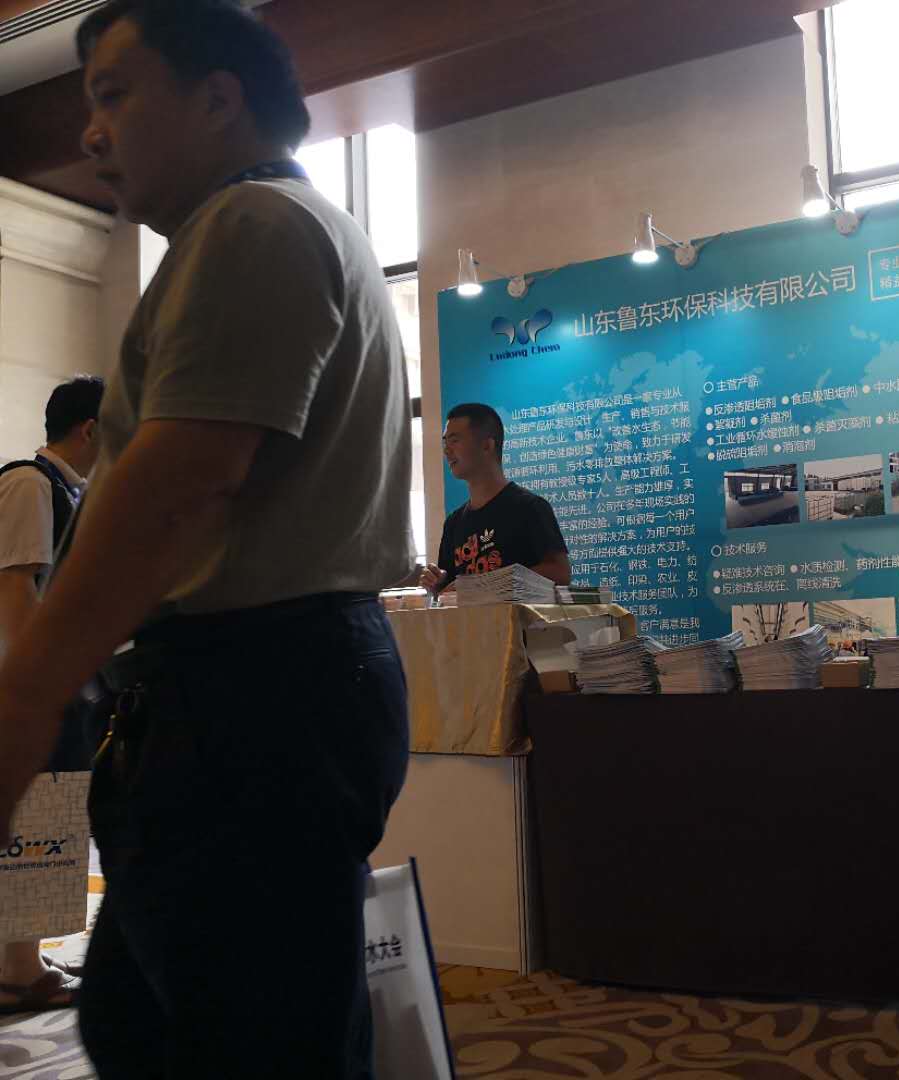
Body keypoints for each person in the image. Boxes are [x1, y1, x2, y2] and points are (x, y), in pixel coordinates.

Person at [0, 1, 413, 1075]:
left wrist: (26, 695)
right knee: (155, 1022)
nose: (91, 131)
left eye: (114, 94)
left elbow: (176, 486)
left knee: (240, 1041)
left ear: (219, 99)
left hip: (254, 695)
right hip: (268, 686)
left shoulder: (253, 225)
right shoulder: (277, 226)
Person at [0, 375, 104, 1013]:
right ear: (91, 429)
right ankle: (16, 971)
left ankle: (22, 958)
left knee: (51, 815)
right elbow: (16, 588)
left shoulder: (70, 491)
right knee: (40, 816)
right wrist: (43, 686)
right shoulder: (29, 483)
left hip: (55, 681)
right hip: (33, 684)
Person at [419, 402, 572, 593]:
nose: (447, 450)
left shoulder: (529, 507)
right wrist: (436, 582)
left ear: (487, 445)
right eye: (445, 442)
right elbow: (449, 588)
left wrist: (483, 585)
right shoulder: (454, 523)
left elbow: (560, 573)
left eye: (455, 440)